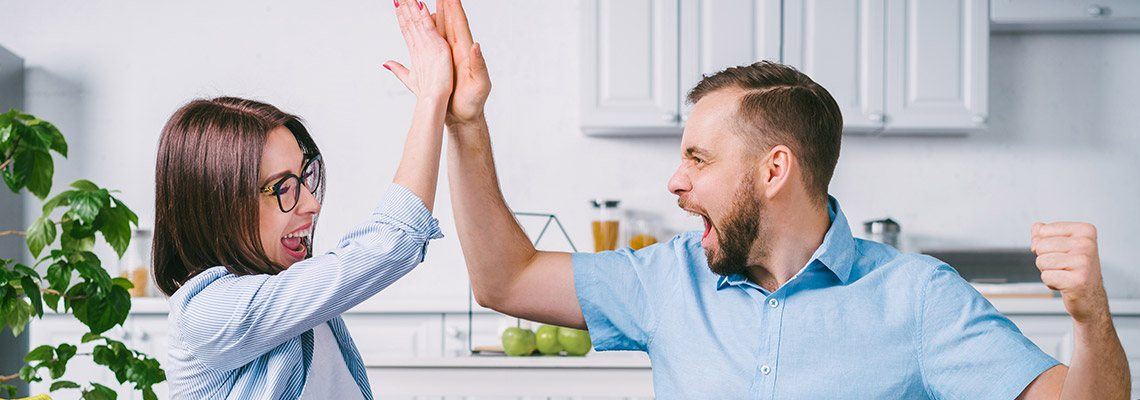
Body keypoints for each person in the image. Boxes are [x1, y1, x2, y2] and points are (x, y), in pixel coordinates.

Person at [433, 0, 1132, 398]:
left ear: (773, 171)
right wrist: (465, 124)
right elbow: (507, 278)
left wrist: (1092, 317)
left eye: (698, 159)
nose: (674, 182)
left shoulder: (917, 297)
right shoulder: (667, 280)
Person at [153, 0, 455, 397]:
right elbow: (392, 243)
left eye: (305, 178)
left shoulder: (294, 299)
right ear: (218, 204)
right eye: (282, 187)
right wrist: (431, 99)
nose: (311, 204)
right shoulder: (211, 313)